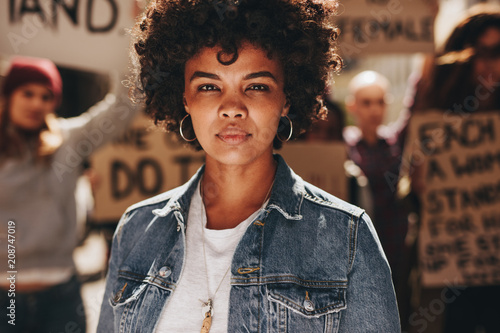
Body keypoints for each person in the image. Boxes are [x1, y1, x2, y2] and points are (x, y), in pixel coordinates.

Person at [97, 1, 400, 332]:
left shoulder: (348, 238)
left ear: (286, 98)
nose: (232, 108)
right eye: (209, 86)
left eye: (256, 86)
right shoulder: (137, 229)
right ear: (184, 98)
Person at [0, 56, 139, 332]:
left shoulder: (70, 139)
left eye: (46, 96)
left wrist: (124, 46)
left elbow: (125, 105)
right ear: (8, 95)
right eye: (27, 93)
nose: (37, 103)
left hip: (61, 296)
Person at [405, 4, 500, 333]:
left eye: (499, 52)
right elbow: (407, 180)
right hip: (449, 269)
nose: (493, 64)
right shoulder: (433, 113)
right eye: (484, 52)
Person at [343, 70, 410, 330]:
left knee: (397, 313)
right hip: (357, 252)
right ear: (353, 106)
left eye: (380, 102)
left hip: (394, 246)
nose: (374, 109)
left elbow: (414, 112)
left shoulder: (395, 143)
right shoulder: (343, 145)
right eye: (366, 102)